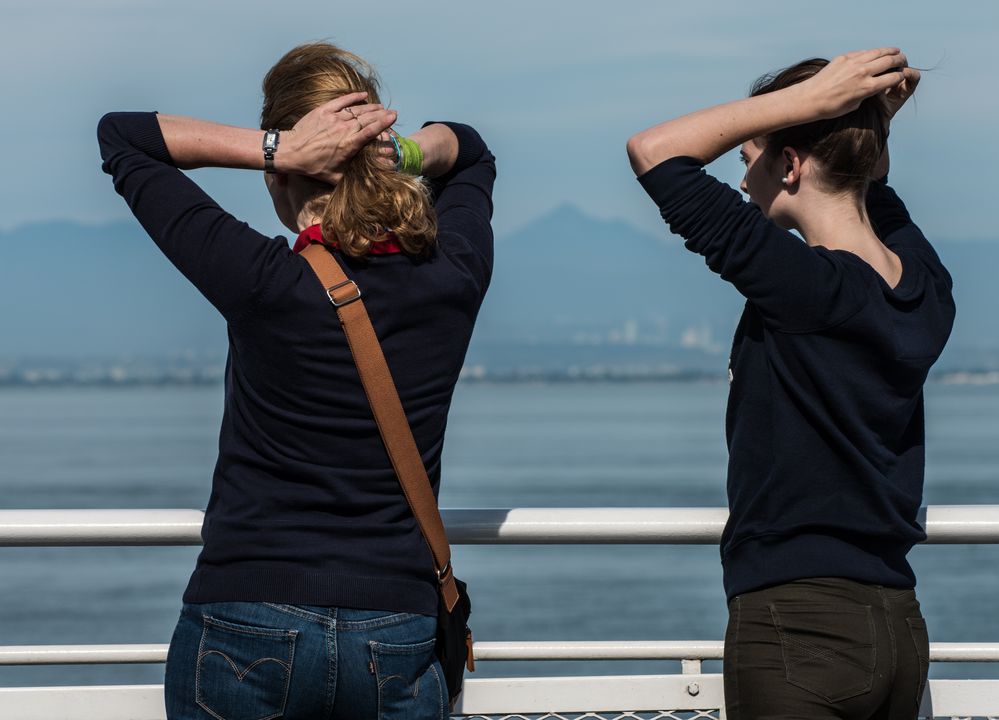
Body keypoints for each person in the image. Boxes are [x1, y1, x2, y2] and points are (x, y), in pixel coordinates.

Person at [98, 42, 495, 719]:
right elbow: (472, 153)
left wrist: (275, 147)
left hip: (247, 611)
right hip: (396, 627)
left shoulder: (264, 282)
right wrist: (393, 150)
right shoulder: (451, 278)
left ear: (283, 178)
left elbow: (123, 137)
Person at [627, 48, 954, 719]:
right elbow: (874, 203)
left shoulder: (804, 287)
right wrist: (861, 126)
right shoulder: (923, 289)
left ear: (790, 162)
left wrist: (808, 104)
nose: (742, 179)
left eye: (749, 157)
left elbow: (654, 151)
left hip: (797, 624)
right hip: (894, 624)